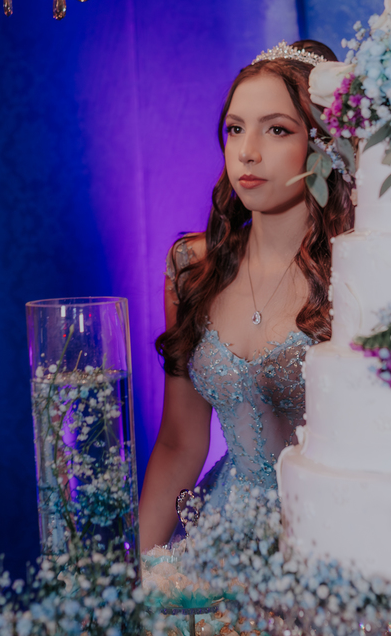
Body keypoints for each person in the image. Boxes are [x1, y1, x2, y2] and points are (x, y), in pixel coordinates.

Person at [138, 40, 354, 549]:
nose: (247, 151)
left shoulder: (356, 274)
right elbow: (179, 443)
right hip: (220, 538)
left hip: (332, 542)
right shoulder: (192, 268)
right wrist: (133, 576)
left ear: (324, 145)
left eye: (277, 130)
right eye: (235, 129)